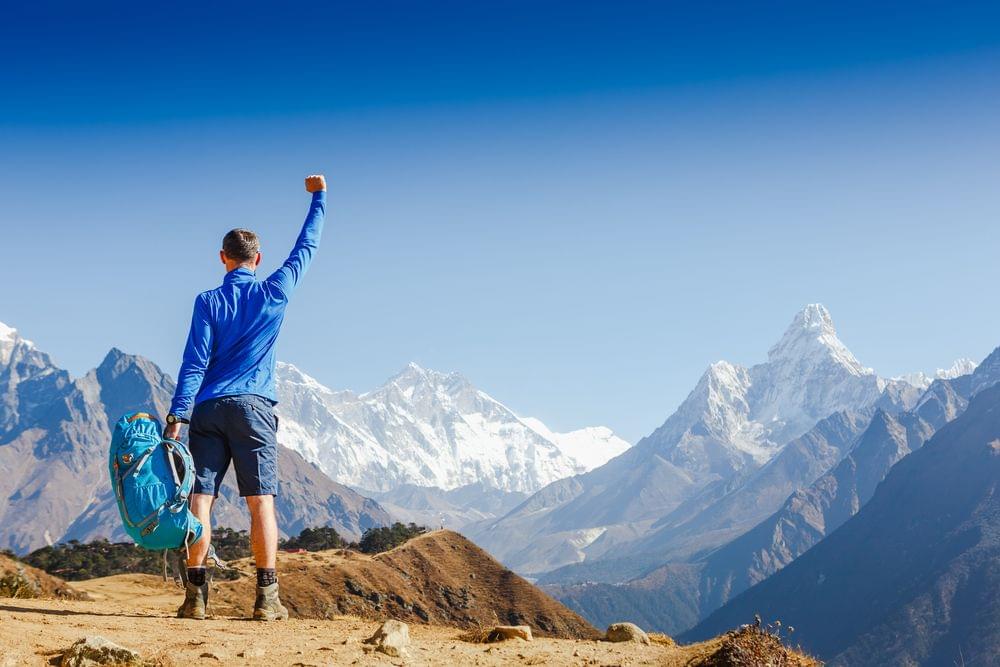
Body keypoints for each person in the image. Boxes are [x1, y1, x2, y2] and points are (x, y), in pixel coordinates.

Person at [163, 174, 327, 620]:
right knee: (261, 502)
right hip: (254, 408)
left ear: (223, 258)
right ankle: (267, 599)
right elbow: (306, 248)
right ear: (258, 258)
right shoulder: (275, 291)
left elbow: (193, 362)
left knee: (201, 499)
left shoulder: (207, 301)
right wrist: (319, 198)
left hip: (209, 408)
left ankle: (195, 597)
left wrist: (178, 414)